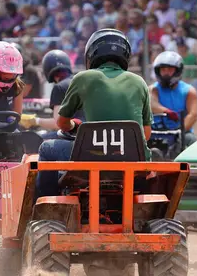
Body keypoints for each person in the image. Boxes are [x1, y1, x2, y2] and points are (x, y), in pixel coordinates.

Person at [36, 28, 153, 197]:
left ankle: (46, 203)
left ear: (91, 54)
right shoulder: (139, 82)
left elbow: (61, 123)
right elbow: (146, 134)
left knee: (46, 148)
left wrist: (73, 126)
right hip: (133, 157)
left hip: (91, 156)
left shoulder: (83, 78)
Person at [20, 49, 84, 137]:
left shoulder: (59, 87)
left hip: (73, 135)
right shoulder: (81, 81)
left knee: (36, 138)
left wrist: (34, 121)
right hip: (87, 133)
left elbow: (58, 124)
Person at [148, 50, 197, 150]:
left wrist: (179, 131)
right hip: (156, 132)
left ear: (177, 70)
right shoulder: (152, 89)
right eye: (163, 70)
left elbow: (193, 115)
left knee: (191, 140)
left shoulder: (189, 91)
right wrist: (167, 111)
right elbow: (152, 104)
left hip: (181, 132)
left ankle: (192, 166)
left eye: (169, 69)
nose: (166, 73)